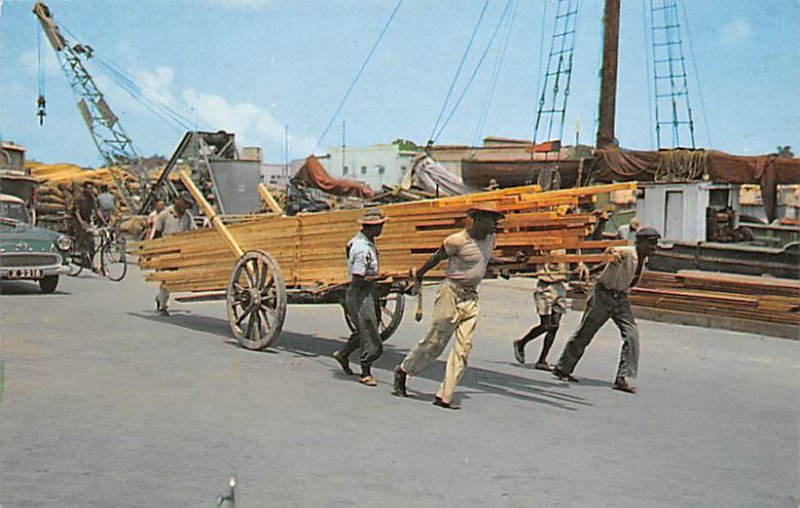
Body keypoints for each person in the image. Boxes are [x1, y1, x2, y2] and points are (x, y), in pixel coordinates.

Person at [392, 202, 526, 409]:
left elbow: (485, 261)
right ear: (478, 220)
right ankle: (403, 370)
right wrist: (420, 273)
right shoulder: (456, 240)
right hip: (450, 293)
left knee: (463, 349)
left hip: (471, 297)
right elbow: (437, 258)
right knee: (435, 342)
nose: (495, 226)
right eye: (492, 221)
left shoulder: (491, 239)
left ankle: (444, 396)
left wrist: (512, 261)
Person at [551, 227, 662, 394]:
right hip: (603, 295)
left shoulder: (642, 260)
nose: (654, 248)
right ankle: (563, 368)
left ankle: (622, 377)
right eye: (651, 244)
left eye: (655, 244)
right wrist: (613, 255)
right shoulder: (627, 252)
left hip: (621, 298)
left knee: (631, 335)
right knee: (585, 332)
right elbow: (612, 251)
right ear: (640, 242)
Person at [331, 208, 388, 387]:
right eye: (380, 225)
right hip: (360, 293)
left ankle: (343, 354)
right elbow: (357, 278)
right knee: (369, 330)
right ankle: (365, 372)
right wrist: (378, 278)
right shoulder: (361, 248)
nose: (382, 228)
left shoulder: (365, 242)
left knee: (367, 327)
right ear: (372, 227)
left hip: (368, 291)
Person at [512, 249, 585, 371]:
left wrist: (580, 265)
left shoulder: (567, 243)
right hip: (545, 286)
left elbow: (577, 255)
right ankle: (521, 343)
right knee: (546, 325)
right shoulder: (544, 244)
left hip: (560, 286)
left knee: (555, 326)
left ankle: (542, 360)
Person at [150, 193, 195, 316]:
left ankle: (160, 297)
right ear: (178, 201)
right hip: (166, 252)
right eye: (184, 203)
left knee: (173, 280)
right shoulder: (165, 215)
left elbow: (193, 232)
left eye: (187, 205)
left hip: (180, 253)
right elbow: (157, 233)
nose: (185, 207)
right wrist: (150, 252)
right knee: (167, 279)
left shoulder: (187, 217)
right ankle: (163, 306)